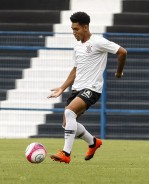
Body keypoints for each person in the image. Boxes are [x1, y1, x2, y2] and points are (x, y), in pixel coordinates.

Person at [48, 12, 127, 163]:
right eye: (72, 29)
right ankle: (93, 142)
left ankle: (66, 153)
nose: (74, 32)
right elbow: (75, 69)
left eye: (76, 29)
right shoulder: (77, 47)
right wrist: (62, 88)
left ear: (85, 27)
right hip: (77, 89)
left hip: (92, 88)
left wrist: (118, 72)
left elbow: (122, 52)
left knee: (69, 112)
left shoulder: (98, 42)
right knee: (67, 123)